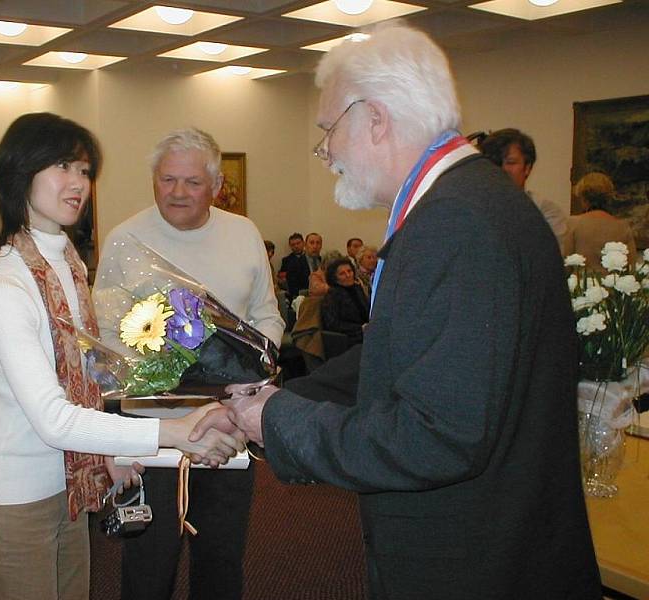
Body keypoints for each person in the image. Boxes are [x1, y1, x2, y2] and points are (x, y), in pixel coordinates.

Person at [194, 22, 600, 599]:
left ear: (376, 117)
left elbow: (438, 436)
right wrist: (261, 403)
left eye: (329, 130)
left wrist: (279, 420)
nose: (327, 151)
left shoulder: (457, 222)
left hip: (472, 560)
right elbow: (398, 354)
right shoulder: (468, 201)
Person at [0, 113, 242, 600]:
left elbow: (85, 383)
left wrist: (112, 452)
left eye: (84, 171)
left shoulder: (66, 261)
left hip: (67, 488)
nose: (78, 183)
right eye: (61, 167)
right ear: (18, 173)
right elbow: (52, 418)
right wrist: (173, 433)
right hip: (15, 497)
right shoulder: (8, 282)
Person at [94, 127, 285, 600]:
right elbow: (104, 343)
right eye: (166, 180)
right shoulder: (125, 240)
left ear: (217, 187)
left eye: (192, 182)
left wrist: (251, 382)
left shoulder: (243, 234)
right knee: (148, 565)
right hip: (152, 435)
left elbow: (267, 316)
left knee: (221, 560)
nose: (177, 192)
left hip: (228, 427)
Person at [478, 128, 568, 245]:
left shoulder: (546, 212)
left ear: (527, 167)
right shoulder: (474, 209)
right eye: (495, 163)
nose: (503, 169)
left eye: (511, 162)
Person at [563, 172, 637, 272]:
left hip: (581, 285)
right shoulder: (622, 227)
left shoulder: (573, 223)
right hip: (612, 286)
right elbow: (631, 267)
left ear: (583, 198)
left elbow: (565, 263)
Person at [320, 257, 368, 346]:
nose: (348, 275)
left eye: (349, 271)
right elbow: (332, 324)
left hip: (366, 331)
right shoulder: (332, 295)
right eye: (342, 273)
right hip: (348, 337)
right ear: (334, 278)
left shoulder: (357, 289)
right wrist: (360, 328)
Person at [278, 232, 306, 297]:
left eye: (298, 243)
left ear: (303, 243)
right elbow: (283, 277)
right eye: (293, 245)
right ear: (290, 246)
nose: (296, 246)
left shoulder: (311, 258)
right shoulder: (286, 260)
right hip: (294, 292)